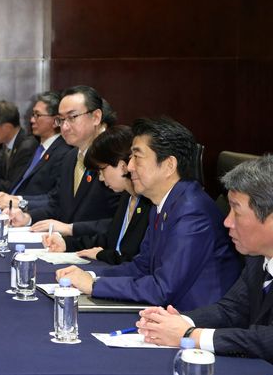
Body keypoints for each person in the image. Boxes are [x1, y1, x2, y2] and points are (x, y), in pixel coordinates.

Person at [56, 118, 241, 310]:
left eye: (137, 157)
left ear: (169, 165)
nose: (129, 167)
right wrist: (91, 276)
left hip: (193, 318)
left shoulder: (192, 212)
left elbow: (162, 288)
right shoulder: (163, 203)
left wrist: (95, 286)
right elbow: (141, 267)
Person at [136, 155, 273, 362]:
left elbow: (268, 339)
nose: (227, 222)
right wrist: (178, 322)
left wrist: (191, 335)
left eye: (236, 211)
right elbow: (232, 309)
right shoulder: (257, 258)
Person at [9, 85, 120, 237]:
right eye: (61, 119)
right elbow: (57, 205)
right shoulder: (70, 157)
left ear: (96, 117)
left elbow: (120, 223)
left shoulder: (114, 157)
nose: (65, 127)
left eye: (72, 117)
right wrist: (28, 218)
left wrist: (71, 229)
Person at [43, 125, 152, 264]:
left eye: (102, 170)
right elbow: (108, 239)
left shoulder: (149, 203)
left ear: (122, 166)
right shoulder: (127, 197)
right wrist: (67, 244)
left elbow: (136, 260)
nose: (100, 178)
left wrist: (102, 256)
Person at [0, 91, 72, 210]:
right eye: (33, 114)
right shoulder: (38, 147)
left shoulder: (64, 152)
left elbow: (54, 199)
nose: (32, 120)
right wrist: (9, 197)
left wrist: (18, 201)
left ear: (56, 121)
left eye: (37, 115)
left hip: (32, 213)